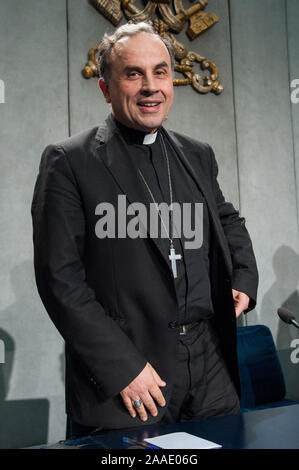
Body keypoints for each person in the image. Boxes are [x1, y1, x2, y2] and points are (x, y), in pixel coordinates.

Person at [31, 22, 258, 439]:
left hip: (210, 369)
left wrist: (243, 277)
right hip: (133, 377)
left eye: (160, 72)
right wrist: (123, 368)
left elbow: (226, 220)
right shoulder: (70, 161)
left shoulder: (197, 154)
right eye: (133, 74)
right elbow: (59, 280)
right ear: (105, 88)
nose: (151, 86)